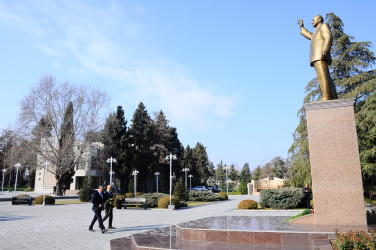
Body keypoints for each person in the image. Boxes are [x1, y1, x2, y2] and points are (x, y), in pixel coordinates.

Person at [298, 15, 338, 101]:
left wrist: (325, 50)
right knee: (326, 76)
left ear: (319, 19)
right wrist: (302, 27)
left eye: (313, 20)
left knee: (323, 76)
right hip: (317, 56)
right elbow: (310, 35)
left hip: (320, 55)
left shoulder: (324, 26)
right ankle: (333, 96)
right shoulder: (317, 31)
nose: (312, 22)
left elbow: (328, 37)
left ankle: (326, 96)